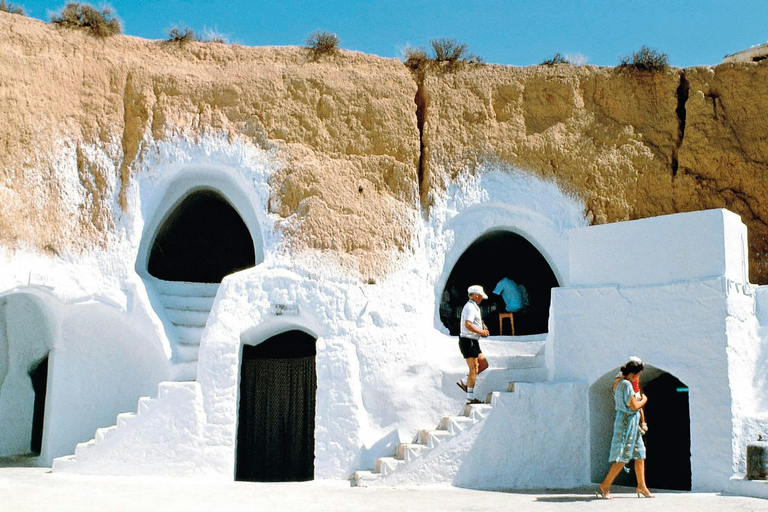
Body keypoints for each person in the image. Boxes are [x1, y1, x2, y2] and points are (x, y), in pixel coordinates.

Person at [596, 358, 654, 499]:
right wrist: (645, 399)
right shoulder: (625, 384)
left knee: (639, 453)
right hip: (626, 423)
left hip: (631, 423)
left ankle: (642, 486)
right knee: (623, 455)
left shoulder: (620, 382)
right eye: (638, 375)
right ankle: (605, 485)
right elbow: (634, 405)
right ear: (633, 374)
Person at [456, 285, 490, 405]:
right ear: (476, 296)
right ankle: (470, 398)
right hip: (468, 340)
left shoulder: (474, 307)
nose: (481, 299)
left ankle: (465, 381)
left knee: (484, 364)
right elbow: (468, 325)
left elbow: (474, 322)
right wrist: (482, 332)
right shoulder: (470, 307)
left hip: (473, 341)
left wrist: (482, 326)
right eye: (480, 297)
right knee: (474, 368)